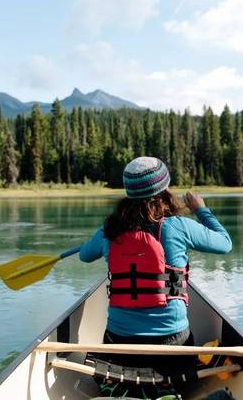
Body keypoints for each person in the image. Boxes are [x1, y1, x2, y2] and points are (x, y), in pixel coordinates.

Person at [79, 157, 232, 390]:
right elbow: (225, 243)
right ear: (165, 190)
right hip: (173, 346)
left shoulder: (108, 230)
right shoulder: (179, 226)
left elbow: (84, 255)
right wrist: (201, 210)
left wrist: (97, 239)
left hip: (120, 345)